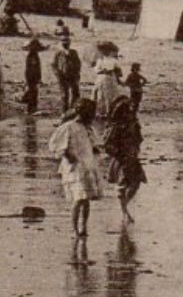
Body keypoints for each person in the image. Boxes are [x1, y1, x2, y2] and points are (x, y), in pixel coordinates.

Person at [49, 98, 103, 238]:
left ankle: (83, 227)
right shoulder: (68, 127)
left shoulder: (88, 128)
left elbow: (94, 144)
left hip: (87, 166)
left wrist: (96, 150)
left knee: (85, 199)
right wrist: (66, 154)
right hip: (74, 168)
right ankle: (74, 229)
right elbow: (55, 144)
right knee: (79, 198)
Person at [100, 94, 146, 226]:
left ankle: (125, 208)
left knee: (135, 183)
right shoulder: (115, 127)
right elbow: (107, 144)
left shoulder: (134, 124)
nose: (131, 112)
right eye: (128, 110)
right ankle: (125, 211)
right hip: (122, 158)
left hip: (132, 157)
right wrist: (118, 153)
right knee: (124, 184)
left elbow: (139, 139)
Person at [53, 36, 82, 113]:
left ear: (70, 43)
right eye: (64, 42)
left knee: (76, 93)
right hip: (62, 76)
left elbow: (78, 63)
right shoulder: (58, 53)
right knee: (64, 95)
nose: (66, 44)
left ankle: (73, 110)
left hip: (73, 75)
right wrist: (58, 74)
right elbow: (54, 65)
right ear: (61, 43)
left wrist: (77, 73)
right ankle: (64, 112)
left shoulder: (74, 52)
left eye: (67, 42)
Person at [92, 41, 124, 110]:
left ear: (110, 50)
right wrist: (102, 70)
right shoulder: (100, 60)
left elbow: (119, 71)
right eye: (104, 50)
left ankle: (109, 110)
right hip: (101, 78)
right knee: (100, 94)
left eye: (107, 50)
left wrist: (115, 74)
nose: (106, 51)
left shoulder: (114, 61)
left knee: (110, 95)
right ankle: (101, 110)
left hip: (111, 79)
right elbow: (96, 70)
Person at [22, 38, 44, 115]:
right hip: (31, 77)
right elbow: (30, 69)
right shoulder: (32, 56)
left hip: (33, 77)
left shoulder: (33, 55)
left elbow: (37, 68)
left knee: (33, 92)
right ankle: (31, 109)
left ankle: (31, 108)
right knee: (33, 93)